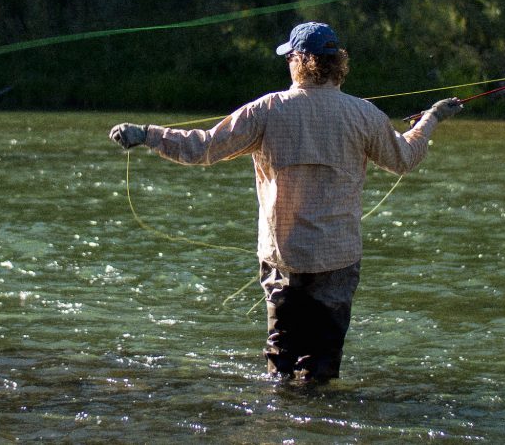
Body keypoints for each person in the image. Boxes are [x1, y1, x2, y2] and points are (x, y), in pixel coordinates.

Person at [109, 22, 462, 383]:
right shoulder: (365, 114)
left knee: (280, 365)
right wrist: (431, 119)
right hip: (337, 259)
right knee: (322, 368)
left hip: (283, 258)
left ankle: (279, 428)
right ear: (336, 63)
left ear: (298, 61)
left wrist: (147, 134)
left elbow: (203, 148)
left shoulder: (267, 109)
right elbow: (404, 158)